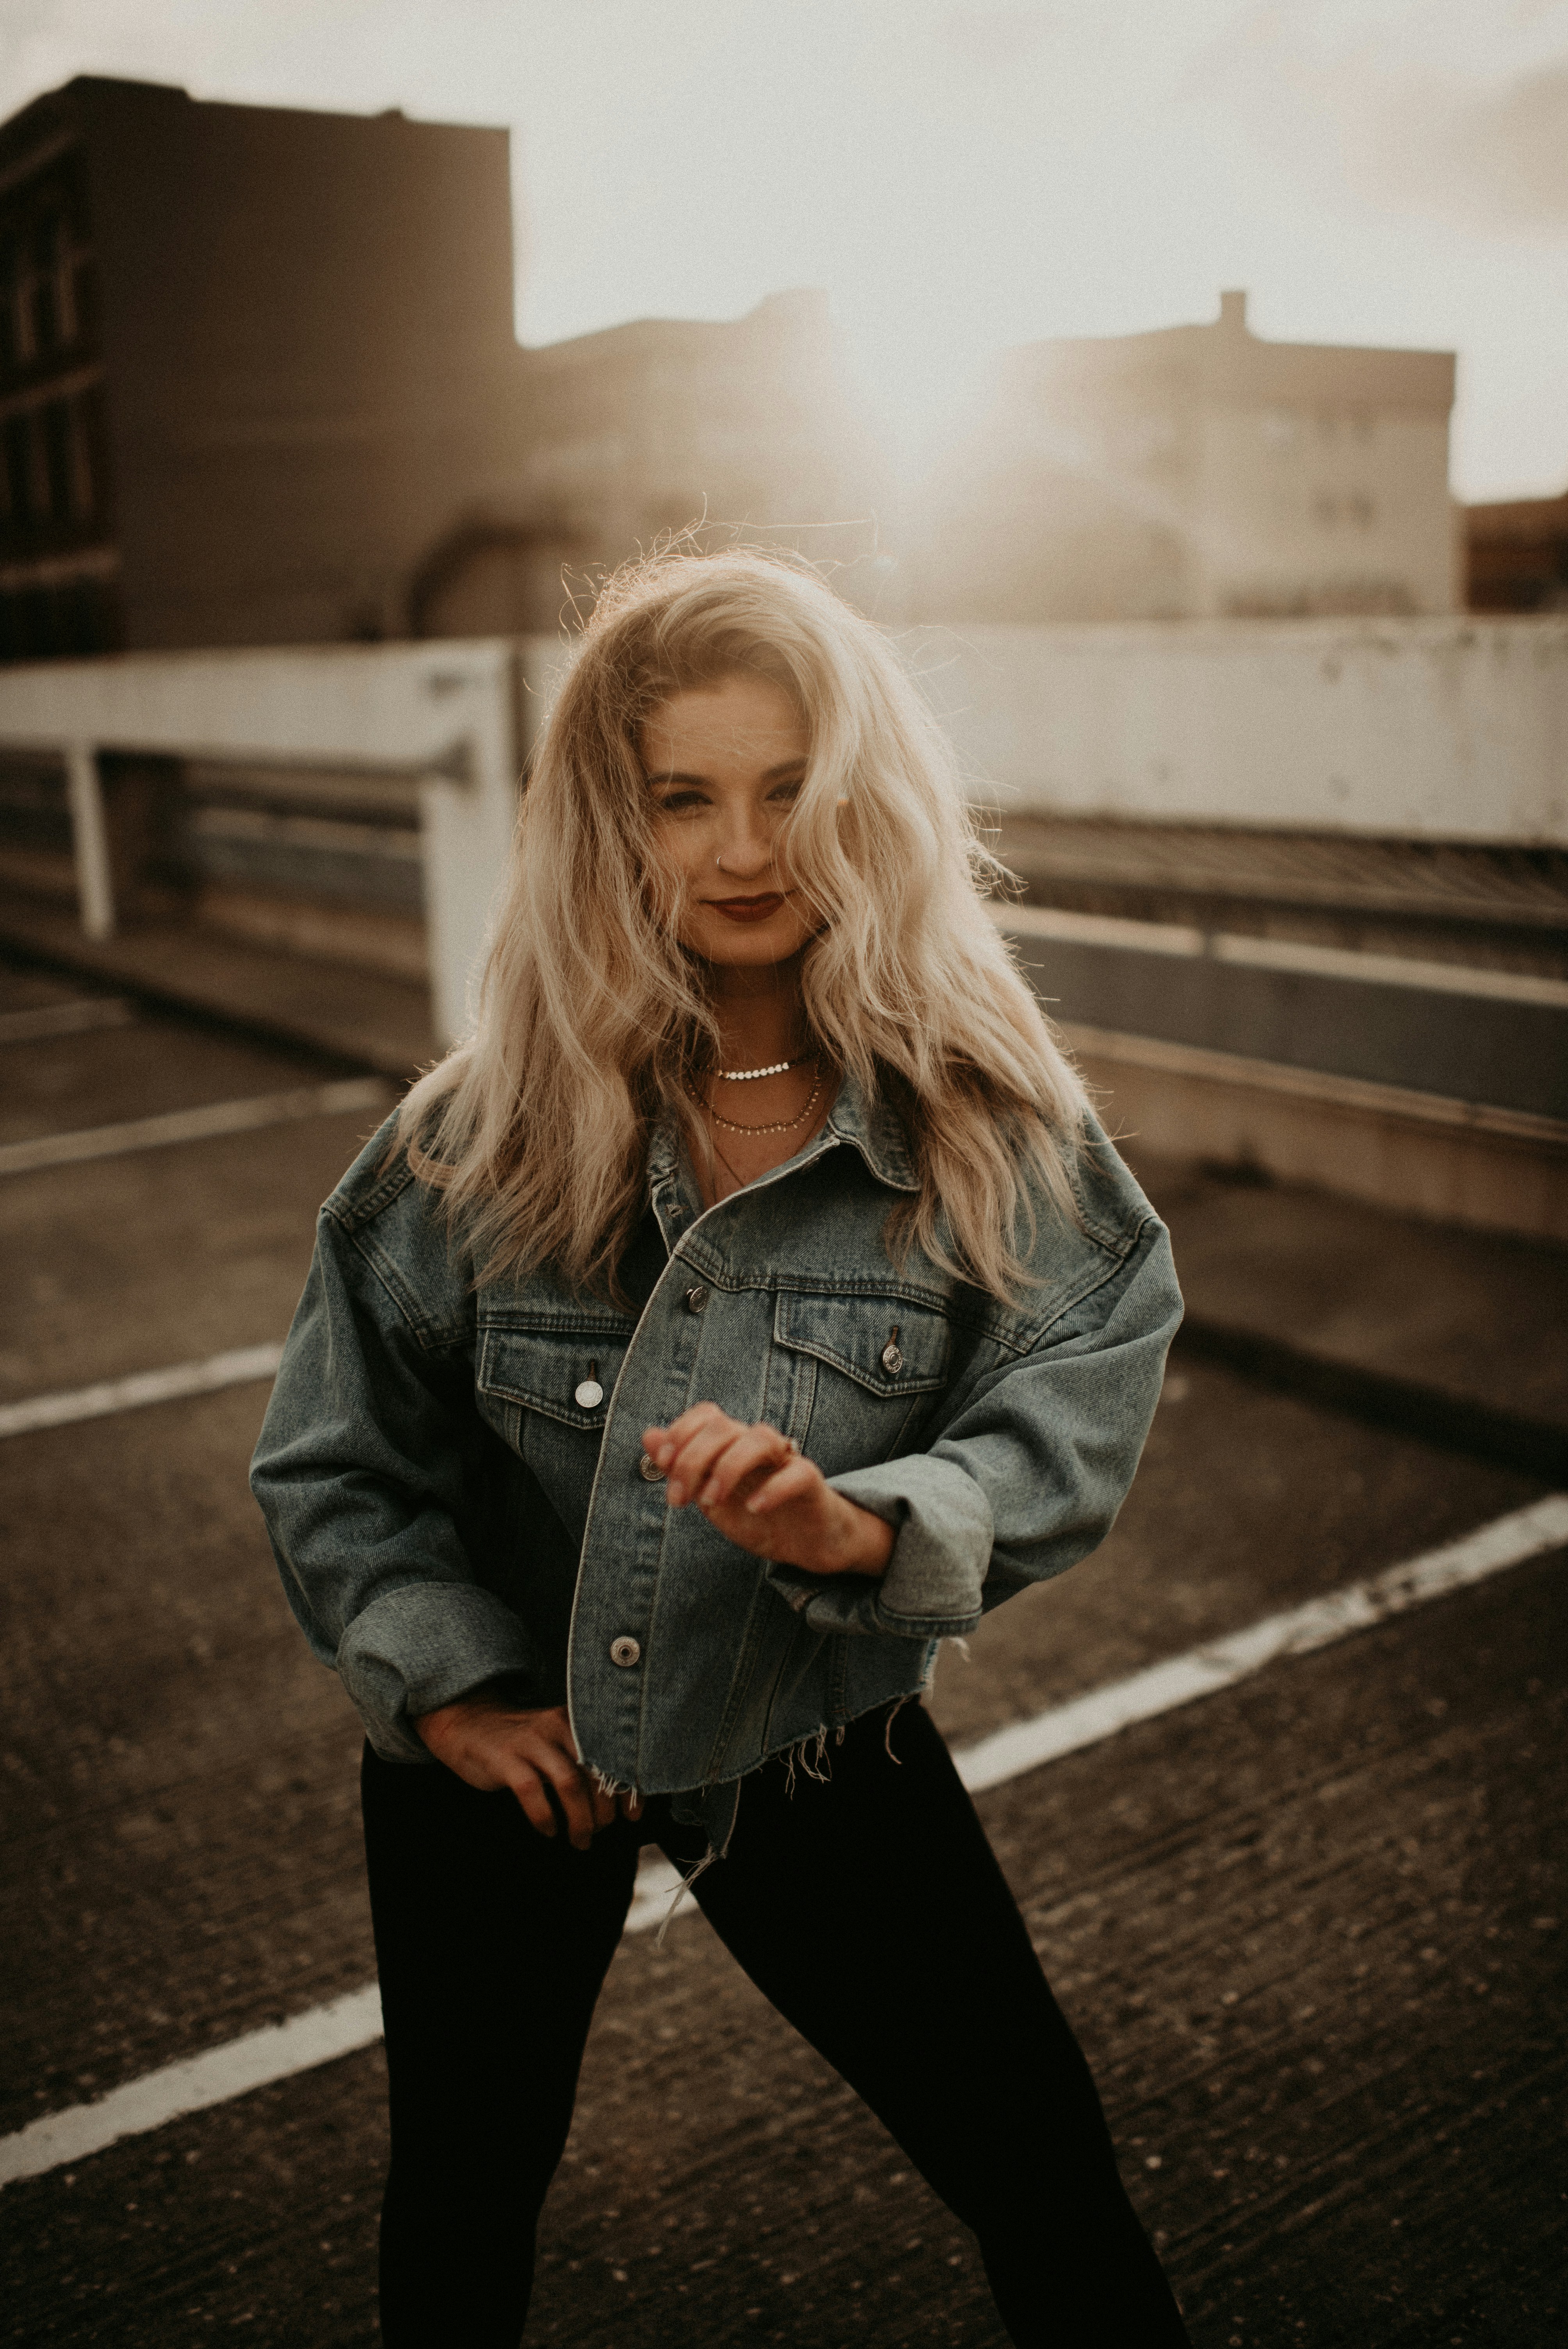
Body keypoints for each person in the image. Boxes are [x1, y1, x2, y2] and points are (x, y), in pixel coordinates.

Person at [251, 549, 1191, 2348]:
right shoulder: (478, 1136)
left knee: (1043, 2179)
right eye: (683, 797)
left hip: (809, 1739)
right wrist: (446, 1691)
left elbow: (1080, 1373)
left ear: (868, 807)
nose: (745, 849)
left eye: (789, 791)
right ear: (613, 824)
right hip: (514, 1759)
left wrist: (859, 1527)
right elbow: (335, 1455)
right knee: (461, 2199)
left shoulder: (983, 1121)